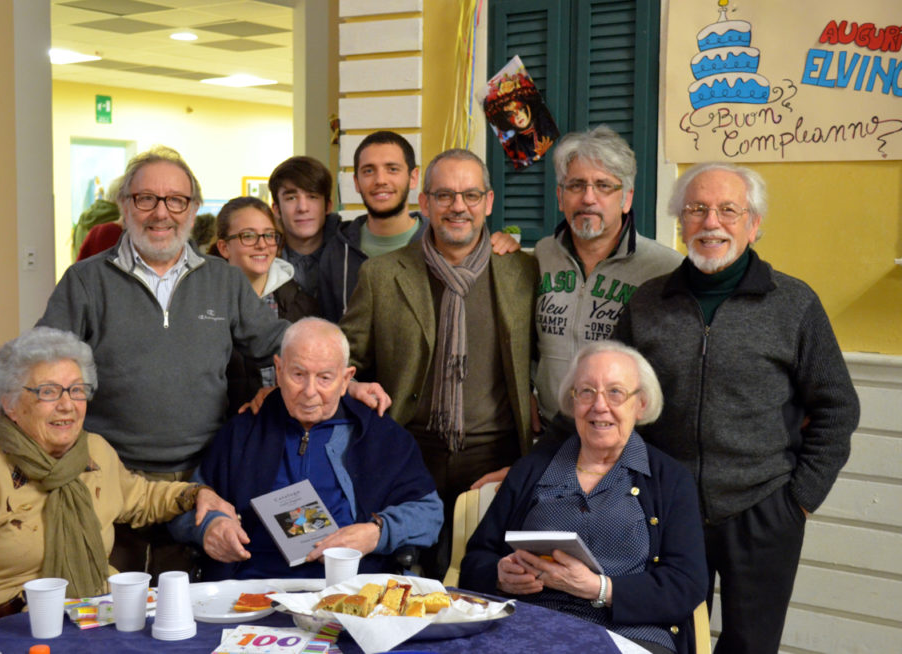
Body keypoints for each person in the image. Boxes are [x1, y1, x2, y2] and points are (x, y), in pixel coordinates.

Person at [0, 147, 385, 577]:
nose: (161, 213)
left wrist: (344, 385)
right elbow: (38, 363)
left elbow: (282, 344)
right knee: (106, 610)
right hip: (110, 480)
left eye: (176, 200)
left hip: (201, 481)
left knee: (190, 616)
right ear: (125, 207)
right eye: (146, 199)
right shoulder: (86, 281)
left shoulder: (224, 280)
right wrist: (2, 425)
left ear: (193, 209)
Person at [613, 162, 860, 654]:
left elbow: (837, 407)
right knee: (665, 639)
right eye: (697, 209)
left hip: (763, 508)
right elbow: (609, 394)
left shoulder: (794, 303)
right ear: (680, 223)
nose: (712, 223)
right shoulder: (646, 303)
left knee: (752, 645)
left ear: (754, 223)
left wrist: (798, 501)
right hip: (666, 507)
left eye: (729, 210)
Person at [0, 328, 227, 635]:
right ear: (11, 405)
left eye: (76, 390)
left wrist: (195, 494)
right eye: (48, 392)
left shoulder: (94, 451)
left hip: (95, 616)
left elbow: (140, 497)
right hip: (14, 629)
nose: (67, 405)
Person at [339, 148, 538, 577]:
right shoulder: (381, 274)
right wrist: (351, 385)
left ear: (488, 202)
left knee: (489, 583)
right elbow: (345, 360)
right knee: (409, 585)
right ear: (424, 203)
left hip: (496, 457)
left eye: (470, 195)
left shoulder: (523, 271)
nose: (458, 207)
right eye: (444, 195)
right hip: (410, 452)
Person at [460, 341, 707, 654]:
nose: (599, 406)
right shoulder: (533, 468)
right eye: (586, 392)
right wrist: (499, 575)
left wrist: (600, 588)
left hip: (629, 633)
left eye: (615, 392)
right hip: (527, 626)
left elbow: (686, 584)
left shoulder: (669, 480)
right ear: (572, 402)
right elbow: (476, 558)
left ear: (641, 404)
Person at [169, 318, 443, 580]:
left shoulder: (381, 435)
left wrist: (378, 532)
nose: (310, 391)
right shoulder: (244, 431)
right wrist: (210, 526)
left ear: (346, 379)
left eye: (324, 378)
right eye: (298, 375)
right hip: (255, 588)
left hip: (351, 587)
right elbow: (186, 506)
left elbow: (429, 515)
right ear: (278, 370)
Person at [535, 126, 682, 438]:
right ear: (560, 196)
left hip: (625, 438)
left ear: (626, 198)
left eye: (604, 186)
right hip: (550, 433)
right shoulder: (539, 256)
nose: (589, 198)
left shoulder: (665, 268)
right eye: (576, 185)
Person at [319, 131, 520, 322]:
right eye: (369, 170)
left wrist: (503, 243)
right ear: (356, 182)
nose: (380, 180)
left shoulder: (442, 240)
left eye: (392, 169)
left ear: (413, 177)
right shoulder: (336, 251)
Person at [210, 196, 319, 411]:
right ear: (224, 248)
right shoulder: (207, 303)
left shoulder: (303, 303)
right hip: (227, 428)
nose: (262, 245)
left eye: (269, 235)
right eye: (248, 236)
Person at [269, 156, 341, 300]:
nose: (302, 208)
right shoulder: (263, 258)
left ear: (328, 206)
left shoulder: (349, 253)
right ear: (276, 209)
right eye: (291, 198)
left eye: (312, 197)